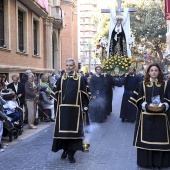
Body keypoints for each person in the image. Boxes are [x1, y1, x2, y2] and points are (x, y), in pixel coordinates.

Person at [129, 63, 170, 169]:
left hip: (161, 118)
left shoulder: (165, 84)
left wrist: (164, 105)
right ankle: (146, 162)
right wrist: (146, 105)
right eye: (151, 70)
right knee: (146, 139)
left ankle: (160, 162)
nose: (154, 72)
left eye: (156, 70)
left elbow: (167, 99)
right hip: (146, 118)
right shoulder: (142, 84)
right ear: (148, 72)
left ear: (159, 72)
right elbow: (138, 100)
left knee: (161, 139)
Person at [51, 58, 89, 163]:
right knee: (63, 134)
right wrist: (56, 110)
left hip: (75, 112)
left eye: (70, 65)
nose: (68, 67)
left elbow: (85, 94)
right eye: (67, 65)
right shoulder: (60, 79)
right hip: (62, 111)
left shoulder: (81, 79)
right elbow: (55, 95)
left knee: (74, 135)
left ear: (74, 67)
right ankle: (65, 150)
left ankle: (71, 153)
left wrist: (85, 106)